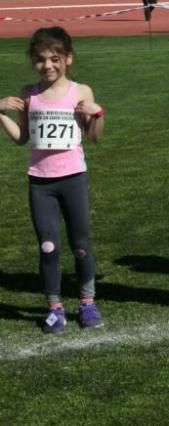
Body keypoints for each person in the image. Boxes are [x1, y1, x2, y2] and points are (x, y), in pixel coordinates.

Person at [0, 27, 106, 333]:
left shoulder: (81, 91)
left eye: (55, 58)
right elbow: (22, 138)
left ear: (68, 59)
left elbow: (95, 137)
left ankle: (87, 304)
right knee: (48, 247)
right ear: (32, 61)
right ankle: (54, 308)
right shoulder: (28, 94)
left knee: (81, 246)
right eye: (40, 59)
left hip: (73, 178)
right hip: (40, 182)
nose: (47, 65)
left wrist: (98, 114)